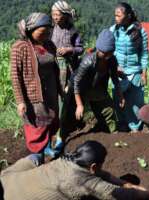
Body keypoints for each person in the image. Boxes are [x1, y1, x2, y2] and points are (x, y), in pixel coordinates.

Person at [0, 140, 149, 200]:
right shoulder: (82, 181)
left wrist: (129, 184)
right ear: (93, 166)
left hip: (7, 179)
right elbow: (120, 194)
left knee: (35, 158)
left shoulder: (67, 159)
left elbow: (103, 175)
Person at [11, 13, 61, 158]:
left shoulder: (49, 45)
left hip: (50, 90)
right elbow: (15, 76)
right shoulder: (20, 47)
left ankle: (46, 146)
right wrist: (20, 101)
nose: (46, 35)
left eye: (48, 32)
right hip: (33, 92)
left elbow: (54, 68)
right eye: (42, 32)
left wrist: (59, 88)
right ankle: (37, 151)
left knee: (51, 118)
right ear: (31, 29)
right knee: (37, 122)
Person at [61, 29, 125, 139]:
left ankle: (112, 134)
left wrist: (120, 95)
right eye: (104, 53)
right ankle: (64, 138)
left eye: (110, 53)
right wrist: (80, 105)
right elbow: (76, 82)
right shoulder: (88, 61)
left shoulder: (112, 60)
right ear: (98, 50)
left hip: (95, 86)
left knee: (108, 109)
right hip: (78, 87)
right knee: (71, 116)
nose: (107, 56)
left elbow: (115, 78)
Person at [110, 2, 149, 133]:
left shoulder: (140, 32)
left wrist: (144, 72)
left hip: (135, 70)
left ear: (128, 16)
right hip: (118, 71)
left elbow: (144, 53)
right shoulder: (114, 30)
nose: (116, 18)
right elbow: (110, 49)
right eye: (115, 15)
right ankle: (121, 124)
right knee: (118, 99)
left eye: (118, 15)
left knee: (135, 101)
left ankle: (135, 127)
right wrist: (115, 66)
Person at [51, 0, 84, 152]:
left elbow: (80, 48)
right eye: (53, 14)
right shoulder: (53, 29)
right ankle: (57, 126)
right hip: (54, 67)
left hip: (68, 68)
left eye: (57, 14)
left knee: (64, 98)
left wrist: (69, 49)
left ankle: (62, 131)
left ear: (65, 15)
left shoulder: (72, 31)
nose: (55, 17)